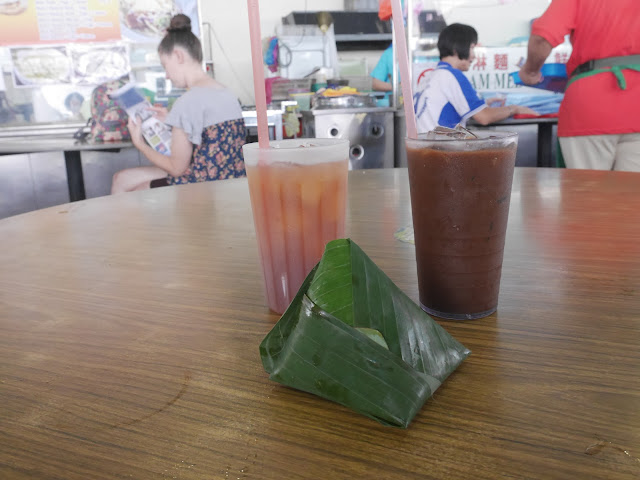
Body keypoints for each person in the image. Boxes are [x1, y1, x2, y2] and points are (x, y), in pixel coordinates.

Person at [111, 14, 246, 194]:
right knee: (121, 178)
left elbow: (176, 168)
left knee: (134, 191)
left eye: (165, 65)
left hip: (202, 188)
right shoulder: (226, 93)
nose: (167, 75)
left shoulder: (187, 102)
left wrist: (140, 143)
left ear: (178, 56)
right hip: (230, 183)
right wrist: (170, 119)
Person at [518, 0, 640, 171]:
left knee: (586, 193)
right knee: (632, 195)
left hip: (591, 105)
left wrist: (530, 71)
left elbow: (541, 40)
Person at [414, 23, 537, 133]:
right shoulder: (452, 75)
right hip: (442, 150)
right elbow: (484, 117)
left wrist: (484, 104)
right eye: (472, 48)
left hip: (424, 148)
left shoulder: (432, 75)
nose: (474, 56)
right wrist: (515, 109)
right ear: (457, 48)